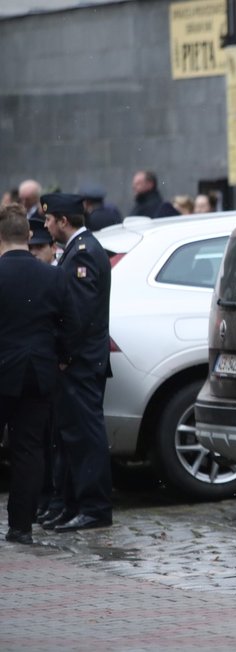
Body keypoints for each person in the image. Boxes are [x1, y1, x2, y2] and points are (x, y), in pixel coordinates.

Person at [0, 203, 80, 544]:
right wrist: (60, 357)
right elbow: (73, 324)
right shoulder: (53, 275)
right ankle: (21, 527)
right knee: (29, 450)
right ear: (29, 235)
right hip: (38, 372)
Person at [38, 193, 114, 532]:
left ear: (63, 221)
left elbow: (78, 315)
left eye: (49, 220)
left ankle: (94, 508)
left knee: (85, 438)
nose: (46, 226)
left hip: (81, 363)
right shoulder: (76, 250)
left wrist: (66, 357)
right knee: (71, 438)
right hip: (79, 363)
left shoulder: (84, 253)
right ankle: (72, 505)